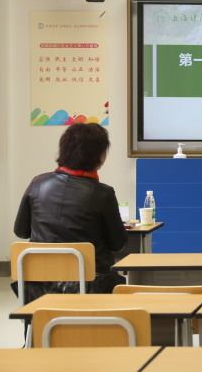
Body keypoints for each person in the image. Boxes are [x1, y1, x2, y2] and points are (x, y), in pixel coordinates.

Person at [13, 123, 127, 301]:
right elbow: (118, 244)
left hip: (40, 291)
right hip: (90, 289)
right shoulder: (103, 193)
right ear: (99, 156)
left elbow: (21, 232)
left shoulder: (37, 183)